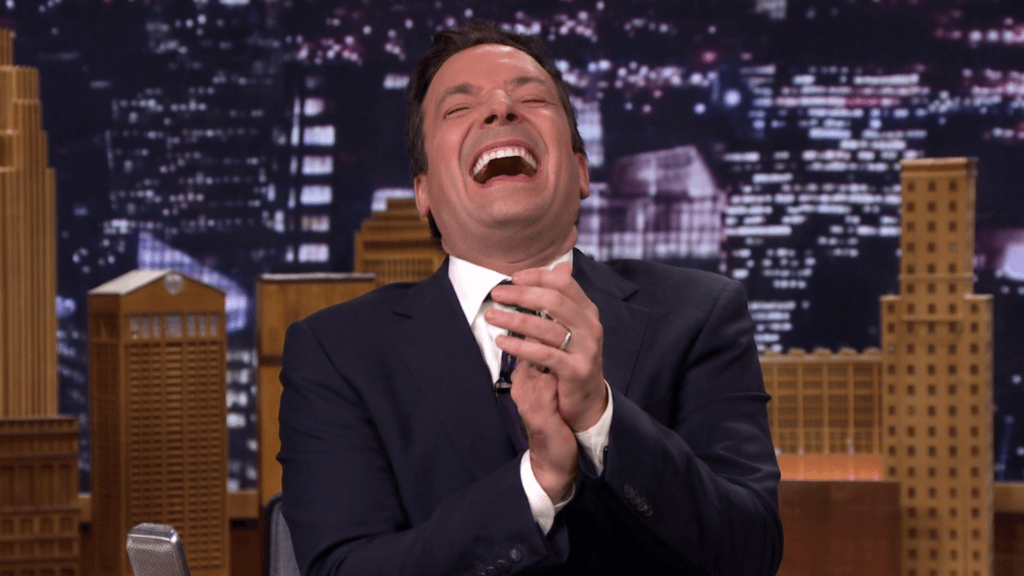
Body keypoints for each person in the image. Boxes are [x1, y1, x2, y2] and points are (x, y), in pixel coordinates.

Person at [278, 20, 783, 576]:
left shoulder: (700, 313)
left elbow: (749, 553)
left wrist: (600, 419)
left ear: (582, 171)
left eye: (531, 98)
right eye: (458, 108)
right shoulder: (337, 352)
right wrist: (537, 485)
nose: (500, 111)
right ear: (421, 191)